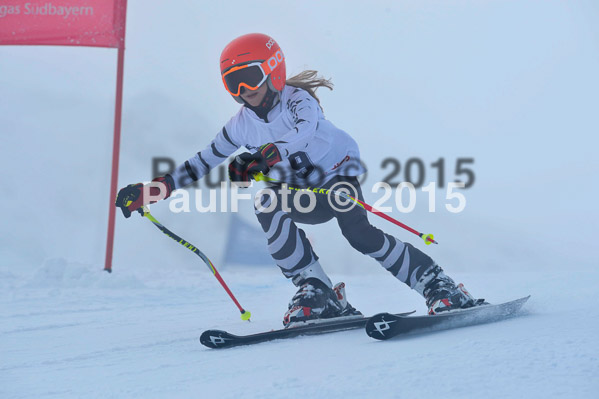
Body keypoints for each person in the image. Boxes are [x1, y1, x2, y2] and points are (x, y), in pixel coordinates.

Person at [115, 33, 484, 326]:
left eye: (249, 79)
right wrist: (155, 189)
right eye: (233, 83)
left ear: (273, 70)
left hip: (336, 176)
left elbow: (304, 133)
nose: (244, 91)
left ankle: (437, 284)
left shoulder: (298, 100)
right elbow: (202, 161)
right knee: (266, 203)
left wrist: (264, 156)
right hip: (298, 191)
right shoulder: (240, 124)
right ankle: (318, 289)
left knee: (359, 235)